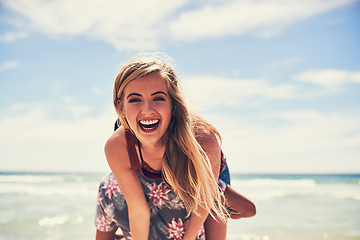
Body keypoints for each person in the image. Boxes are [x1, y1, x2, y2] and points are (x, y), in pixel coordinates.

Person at [95, 55, 256, 240]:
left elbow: (202, 203)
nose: (147, 109)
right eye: (135, 100)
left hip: (202, 177)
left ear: (173, 104)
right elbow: (138, 208)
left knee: (232, 215)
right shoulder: (117, 146)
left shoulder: (202, 140)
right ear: (120, 107)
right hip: (160, 178)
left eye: (158, 98)